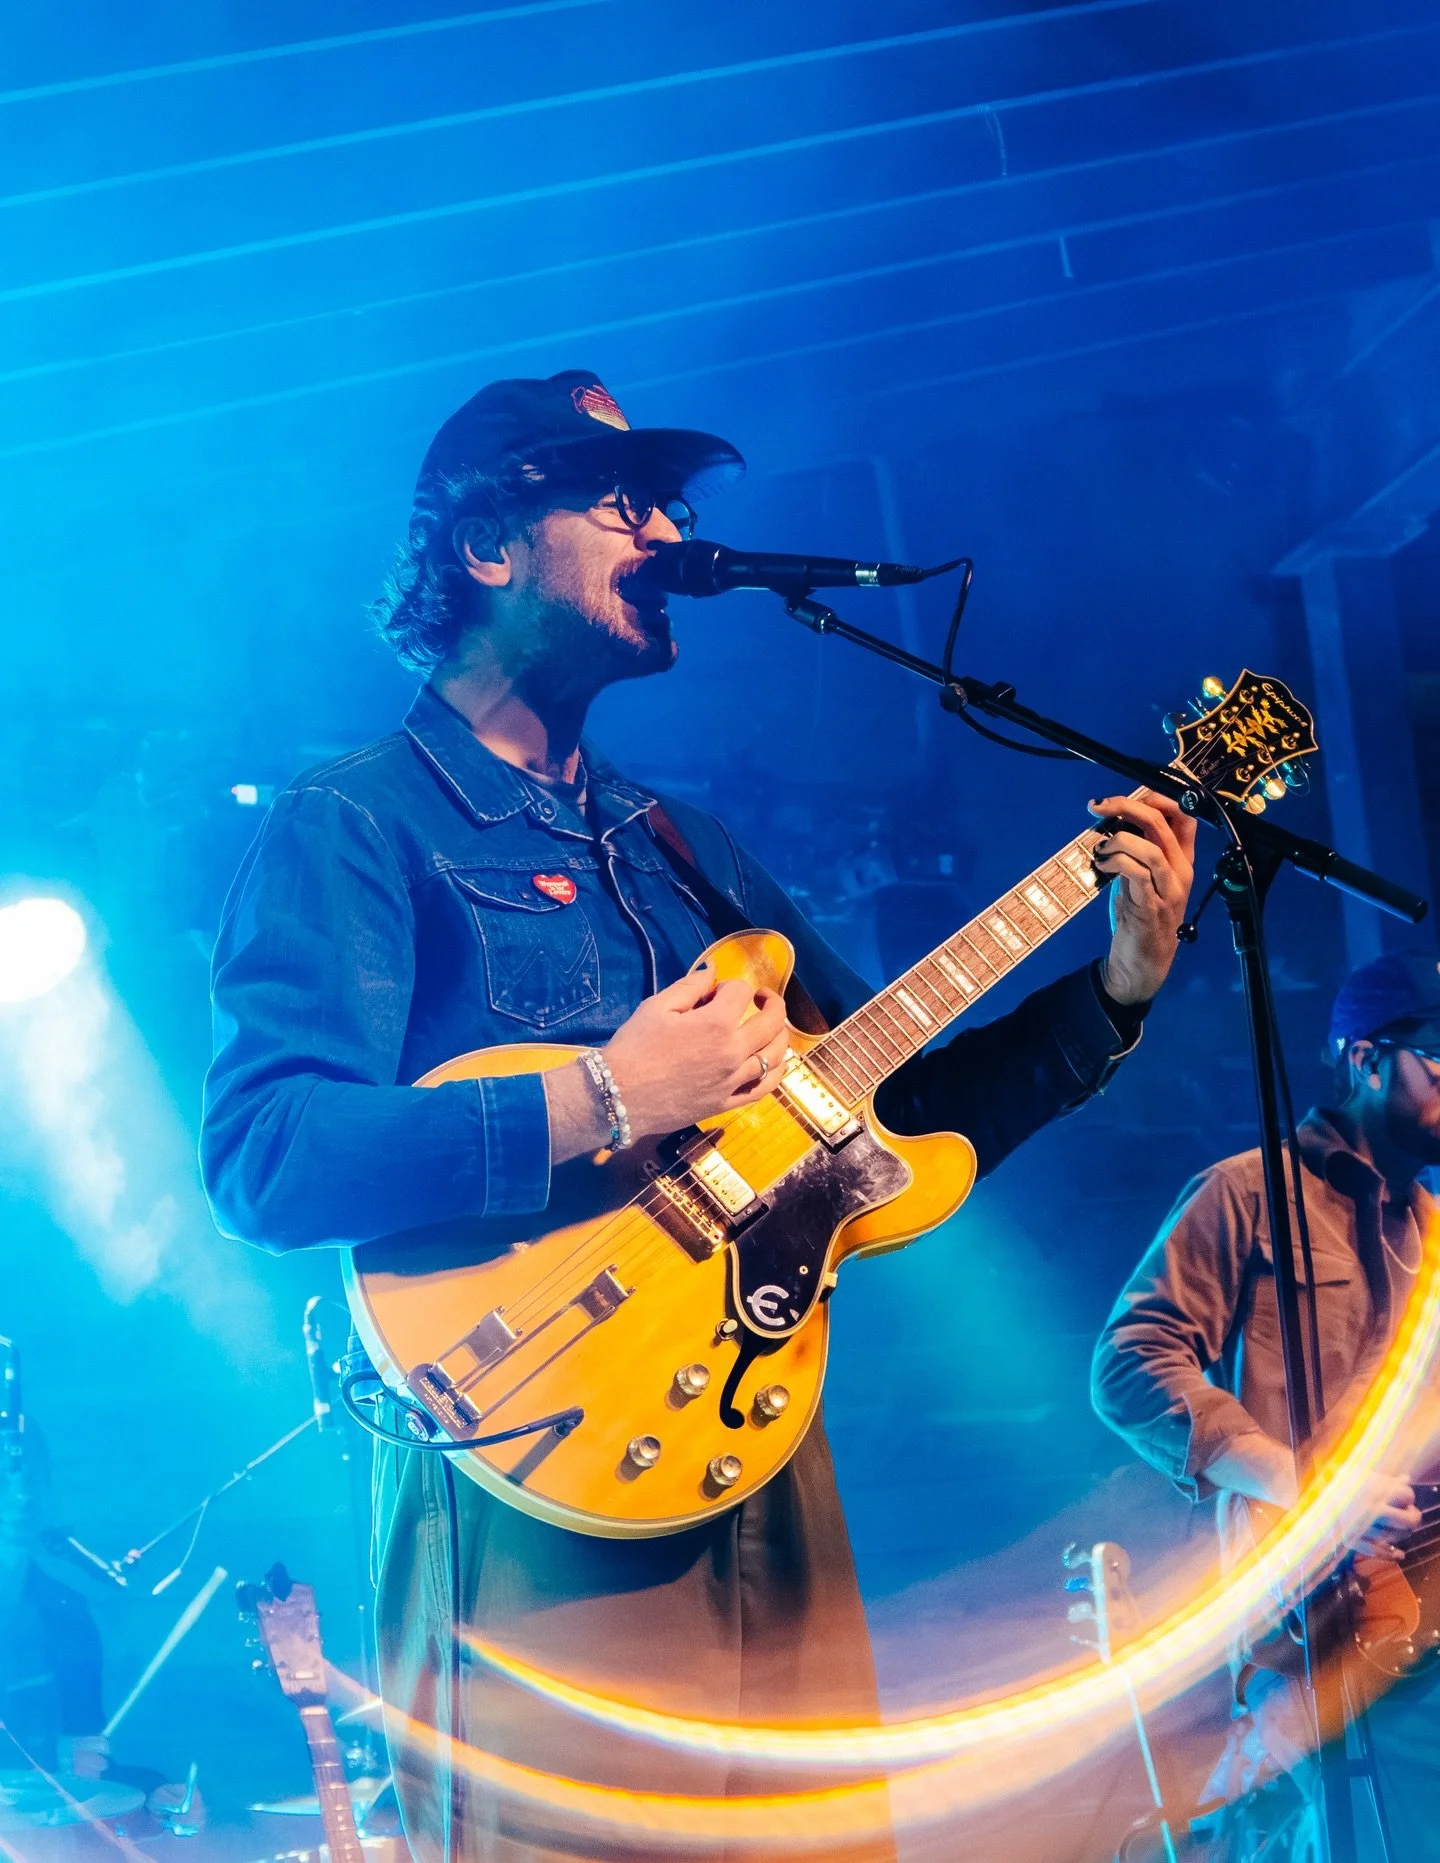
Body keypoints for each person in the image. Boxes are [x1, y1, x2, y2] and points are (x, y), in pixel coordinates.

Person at [200, 369, 1196, 1863]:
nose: (671, 526)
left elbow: (901, 1114)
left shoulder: (685, 847)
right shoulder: (358, 819)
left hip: (754, 1446)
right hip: (525, 1457)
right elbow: (267, 1157)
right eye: (625, 500)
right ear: (487, 548)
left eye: (674, 500)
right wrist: (605, 1094)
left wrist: (1110, 990)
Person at [1091, 948, 1440, 1858]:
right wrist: (1314, 1487)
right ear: (1365, 1058)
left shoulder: (1437, 1232)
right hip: (1317, 1624)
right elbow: (1129, 1365)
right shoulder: (1251, 1193)